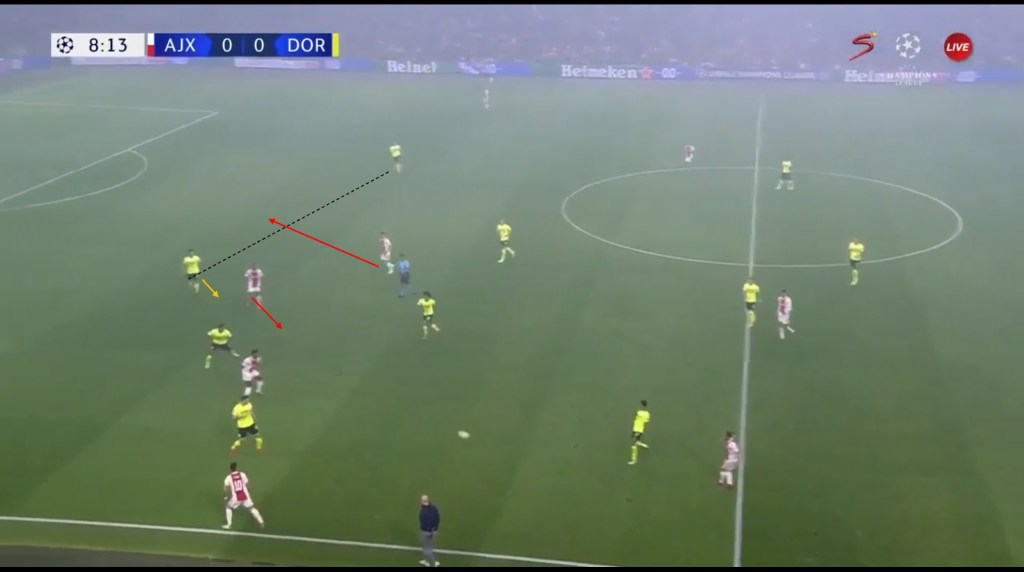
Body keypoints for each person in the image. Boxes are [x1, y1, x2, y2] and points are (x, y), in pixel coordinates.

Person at [223, 461, 265, 529]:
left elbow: (225, 487)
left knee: (228, 507)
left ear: (231, 469)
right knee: (251, 508)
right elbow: (247, 484)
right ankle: (261, 522)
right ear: (236, 468)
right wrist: (248, 491)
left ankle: (229, 524)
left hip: (236, 497)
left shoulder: (228, 477)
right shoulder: (242, 474)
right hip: (245, 495)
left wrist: (227, 495)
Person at [418, 495, 441, 567]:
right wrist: (435, 529)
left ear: (422, 501)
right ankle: (426, 561)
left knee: (427, 550)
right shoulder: (434, 508)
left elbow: (426, 523)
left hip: (427, 532)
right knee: (426, 548)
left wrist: (430, 532)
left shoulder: (423, 512)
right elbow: (437, 518)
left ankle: (433, 564)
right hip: (433, 531)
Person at [628, 400, 651, 466]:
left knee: (633, 445)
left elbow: (635, 415)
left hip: (637, 429)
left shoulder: (639, 412)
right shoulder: (647, 414)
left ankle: (634, 460)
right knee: (636, 441)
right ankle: (641, 444)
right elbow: (647, 421)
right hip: (640, 429)